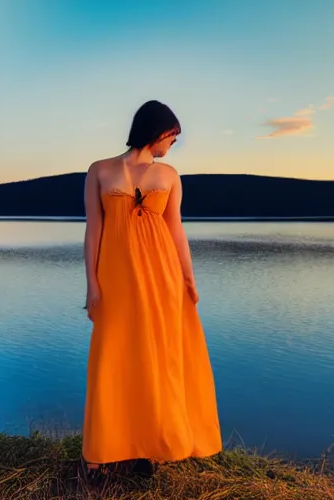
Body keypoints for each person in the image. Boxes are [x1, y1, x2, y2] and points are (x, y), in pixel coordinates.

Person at [82, 100, 222, 477]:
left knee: (157, 357)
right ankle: (98, 455)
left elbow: (176, 230)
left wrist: (188, 279)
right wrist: (92, 284)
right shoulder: (100, 171)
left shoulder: (171, 175)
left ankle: (148, 445)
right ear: (158, 131)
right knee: (111, 357)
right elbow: (94, 230)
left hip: (162, 277)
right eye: (172, 137)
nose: (173, 144)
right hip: (115, 279)